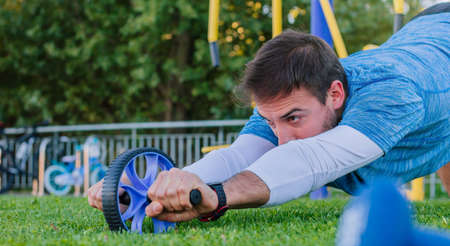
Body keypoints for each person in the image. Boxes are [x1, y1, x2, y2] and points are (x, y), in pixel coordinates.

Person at [88, 3, 450, 222]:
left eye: (293, 118)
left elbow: (306, 160)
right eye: (272, 120)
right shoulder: (283, 102)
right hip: (428, 36)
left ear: (335, 94)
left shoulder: (391, 95)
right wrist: (152, 189)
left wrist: (218, 196)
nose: (281, 136)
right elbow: (240, 157)